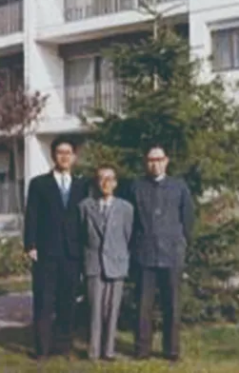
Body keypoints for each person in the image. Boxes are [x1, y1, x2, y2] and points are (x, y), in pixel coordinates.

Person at [23, 136, 88, 360]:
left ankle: (63, 347)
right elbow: (31, 215)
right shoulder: (39, 184)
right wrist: (30, 245)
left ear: (74, 157)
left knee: (67, 303)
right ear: (53, 156)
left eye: (68, 153)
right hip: (46, 253)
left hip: (72, 254)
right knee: (44, 301)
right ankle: (42, 350)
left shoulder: (82, 185)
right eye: (60, 153)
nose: (64, 157)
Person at [129, 146, 194, 362]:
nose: (155, 164)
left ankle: (171, 350)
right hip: (145, 254)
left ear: (166, 161)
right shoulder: (136, 187)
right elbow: (131, 221)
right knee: (143, 305)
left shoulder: (179, 186)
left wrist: (182, 244)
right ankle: (142, 349)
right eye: (150, 160)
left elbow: (188, 219)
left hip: (172, 254)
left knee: (172, 305)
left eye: (159, 159)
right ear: (146, 163)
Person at [78, 165, 133, 361]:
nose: (105, 183)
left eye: (110, 178)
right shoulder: (85, 206)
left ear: (115, 183)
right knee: (95, 309)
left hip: (116, 263)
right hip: (94, 264)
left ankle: (109, 350)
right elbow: (81, 235)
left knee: (113, 309)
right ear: (96, 182)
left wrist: (120, 256)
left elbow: (128, 236)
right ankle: (93, 351)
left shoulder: (126, 208)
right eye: (101, 178)